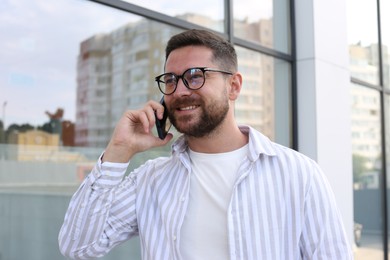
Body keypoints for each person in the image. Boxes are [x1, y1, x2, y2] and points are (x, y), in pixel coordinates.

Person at [59, 29, 352, 259]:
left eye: (196, 76)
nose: (181, 90)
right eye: (171, 80)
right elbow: (78, 246)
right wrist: (119, 151)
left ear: (233, 86)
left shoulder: (299, 174)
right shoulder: (150, 180)